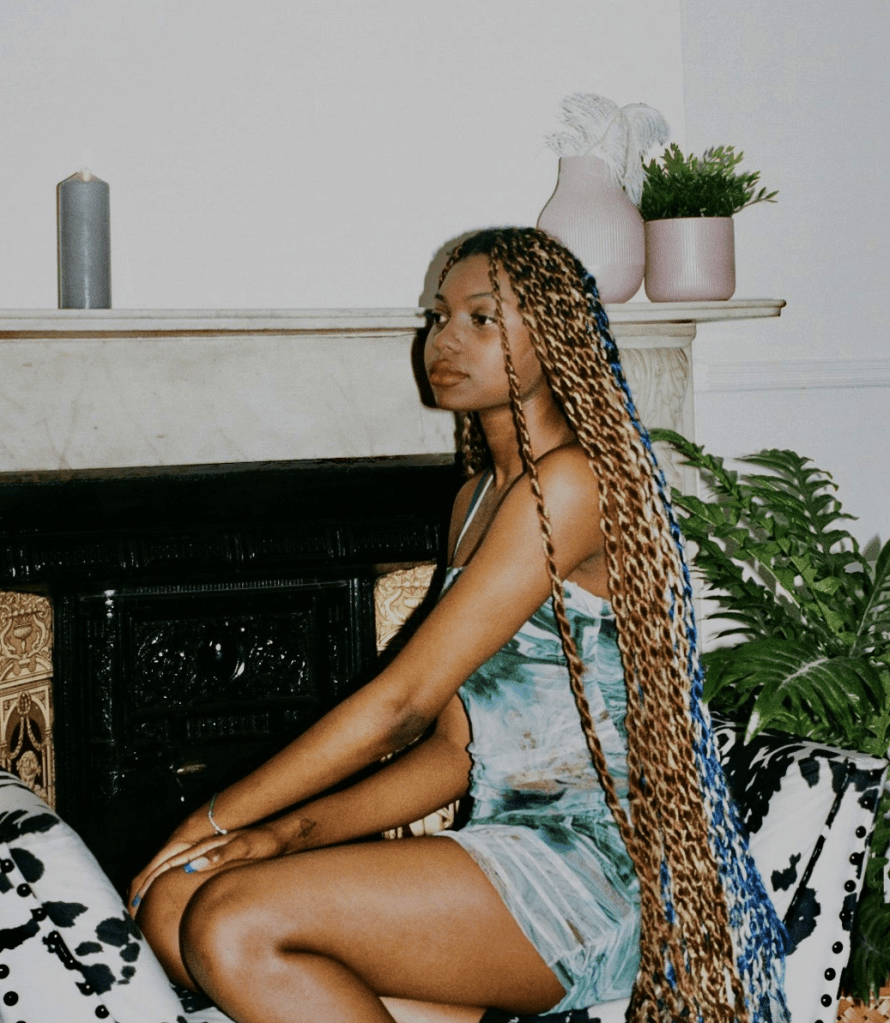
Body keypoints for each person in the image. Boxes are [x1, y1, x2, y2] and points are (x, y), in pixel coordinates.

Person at [125, 227, 789, 1023]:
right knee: (174, 904)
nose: (444, 340)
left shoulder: (575, 484)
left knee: (231, 922)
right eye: (438, 316)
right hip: (507, 842)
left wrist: (215, 817)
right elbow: (453, 747)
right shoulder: (475, 500)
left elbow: (402, 705)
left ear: (555, 336)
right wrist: (287, 832)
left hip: (600, 866)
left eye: (481, 318)